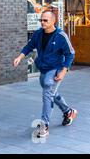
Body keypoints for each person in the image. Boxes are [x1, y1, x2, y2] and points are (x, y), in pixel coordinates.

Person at [13, 10, 78, 139]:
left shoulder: (61, 36)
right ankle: (68, 111)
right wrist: (20, 57)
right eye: (41, 20)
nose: (42, 23)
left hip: (55, 69)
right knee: (51, 93)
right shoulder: (38, 34)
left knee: (47, 92)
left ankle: (44, 125)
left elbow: (70, 54)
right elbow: (29, 46)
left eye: (45, 20)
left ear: (53, 21)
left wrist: (64, 71)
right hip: (43, 69)